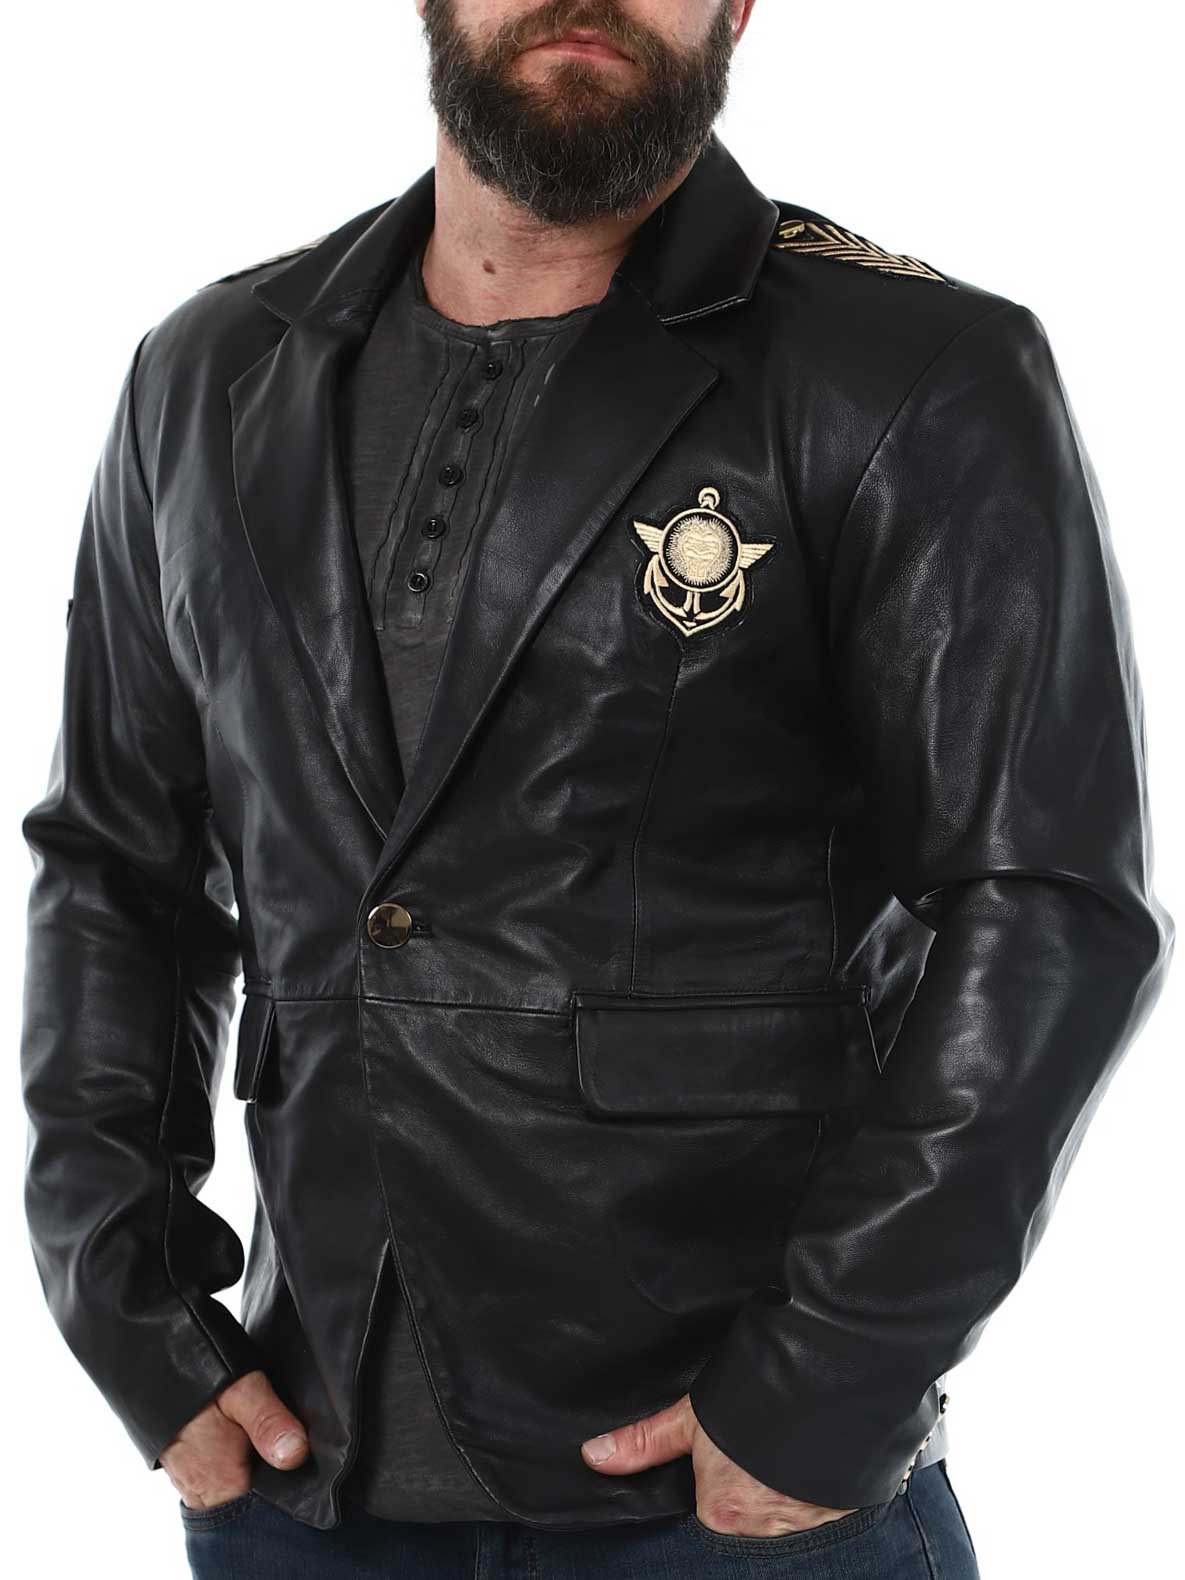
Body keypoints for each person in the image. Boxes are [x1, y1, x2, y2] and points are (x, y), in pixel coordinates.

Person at [18, 1, 1173, 1576]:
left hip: (728, 1494)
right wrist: (128, 1310)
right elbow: (116, 864)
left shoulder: (911, 368)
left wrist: (830, 1378)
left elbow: (1044, 901)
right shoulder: (209, 370)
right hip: (299, 1479)